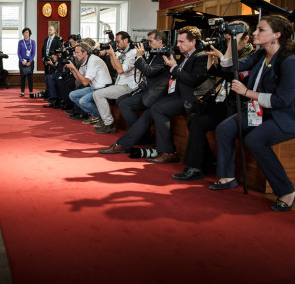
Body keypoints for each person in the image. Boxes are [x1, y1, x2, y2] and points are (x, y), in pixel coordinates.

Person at [211, 15, 295, 212]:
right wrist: (232, 39)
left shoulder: (289, 61)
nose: (254, 33)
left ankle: (286, 191)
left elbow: (282, 101)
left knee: (255, 140)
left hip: (286, 116)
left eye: (260, 30)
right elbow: (229, 67)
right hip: (260, 111)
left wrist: (247, 92)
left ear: (277, 35)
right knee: (224, 129)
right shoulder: (260, 54)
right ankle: (228, 177)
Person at [100, 26, 208, 161]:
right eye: (178, 41)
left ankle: (166, 152)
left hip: (188, 98)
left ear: (193, 42)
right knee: (148, 110)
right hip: (173, 94)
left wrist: (173, 67)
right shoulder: (182, 56)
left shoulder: (200, 56)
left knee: (155, 109)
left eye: (181, 42)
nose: (178, 44)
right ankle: (123, 144)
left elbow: (192, 80)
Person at [172, 26, 254, 181]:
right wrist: (211, 57)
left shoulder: (250, 56)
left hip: (240, 105)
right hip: (225, 101)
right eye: (228, 39)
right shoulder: (233, 52)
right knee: (194, 121)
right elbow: (215, 73)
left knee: (197, 123)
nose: (230, 43)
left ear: (246, 38)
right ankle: (208, 162)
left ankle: (195, 167)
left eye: (233, 40)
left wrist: (223, 58)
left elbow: (233, 75)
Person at [115, 30, 170, 129]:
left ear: (160, 42)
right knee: (120, 100)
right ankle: (137, 129)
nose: (148, 44)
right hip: (145, 88)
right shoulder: (153, 53)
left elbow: (149, 71)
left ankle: (140, 132)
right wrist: (142, 55)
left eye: (150, 41)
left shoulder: (164, 55)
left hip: (154, 92)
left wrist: (139, 56)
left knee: (125, 104)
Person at [91, 31, 139, 133]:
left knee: (98, 94)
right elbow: (115, 67)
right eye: (116, 42)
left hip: (130, 86)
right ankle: (107, 122)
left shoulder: (133, 53)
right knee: (98, 94)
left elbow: (120, 70)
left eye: (118, 41)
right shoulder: (122, 52)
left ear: (126, 40)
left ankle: (109, 124)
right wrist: (112, 55)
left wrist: (113, 54)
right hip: (121, 84)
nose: (116, 44)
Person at [65, 43, 112, 120]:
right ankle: (94, 115)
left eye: (77, 52)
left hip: (103, 88)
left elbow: (85, 82)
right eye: (75, 52)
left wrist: (74, 68)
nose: (75, 55)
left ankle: (101, 117)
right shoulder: (84, 61)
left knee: (83, 101)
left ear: (85, 52)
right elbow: (78, 78)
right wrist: (73, 69)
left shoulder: (93, 60)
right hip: (94, 88)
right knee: (72, 95)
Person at [17, 28, 36, 96]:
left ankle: (31, 91)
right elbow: (18, 53)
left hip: (30, 62)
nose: (26, 34)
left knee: (30, 77)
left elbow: (33, 53)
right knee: (22, 77)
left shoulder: (32, 42)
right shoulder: (20, 42)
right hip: (22, 62)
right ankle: (22, 92)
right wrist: (22, 61)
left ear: (29, 34)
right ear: (23, 34)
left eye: (27, 32)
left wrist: (30, 61)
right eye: (24, 32)